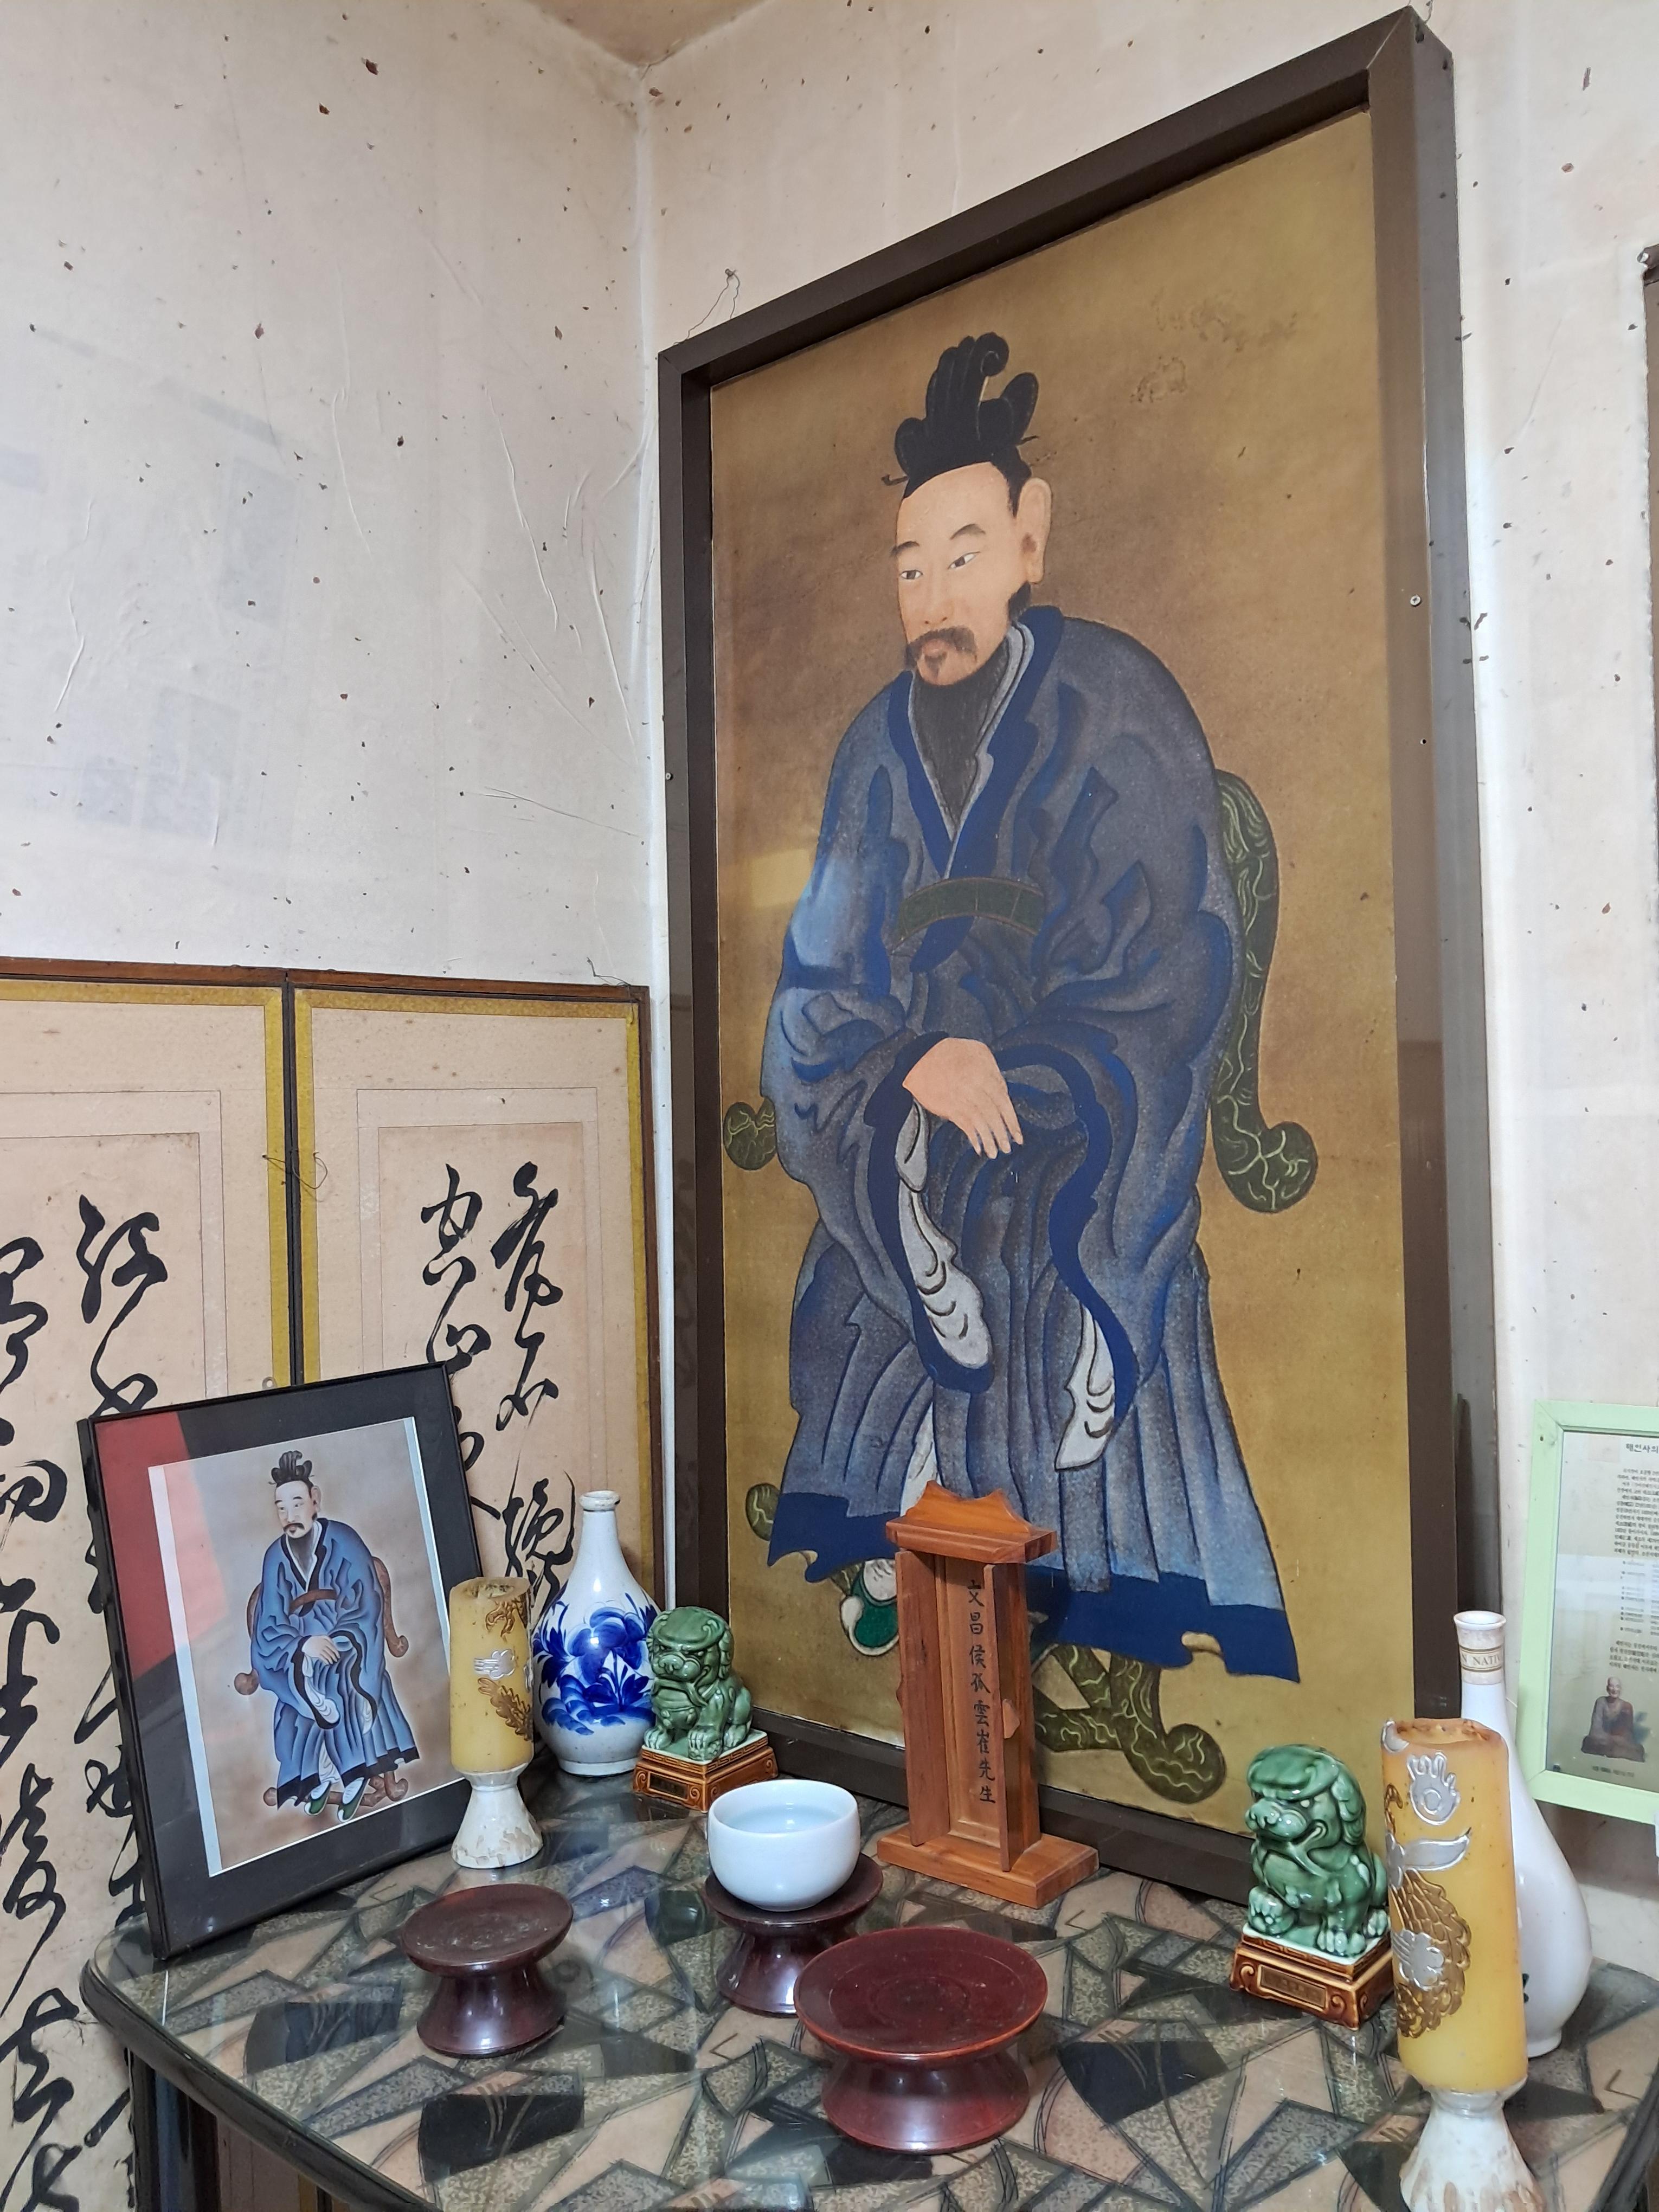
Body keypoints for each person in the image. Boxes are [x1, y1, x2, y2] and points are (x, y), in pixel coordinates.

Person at [761, 331, 1296, 1680]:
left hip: (1077, 1118)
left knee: (1033, 1207)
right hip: (906, 1121)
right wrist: (906, 1067)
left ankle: (1066, 1541)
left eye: (962, 556)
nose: (933, 599)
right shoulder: (872, 749)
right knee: (886, 1211)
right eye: (910, 569)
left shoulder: (1117, 703)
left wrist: (1032, 1067)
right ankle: (901, 1552)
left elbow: (1166, 956)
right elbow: (822, 978)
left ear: (1028, 542)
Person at [249, 1448, 419, 1817]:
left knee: (337, 1677)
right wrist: (302, 1646)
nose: (290, 1516)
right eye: (282, 1508)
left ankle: (353, 1773)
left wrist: (338, 1640)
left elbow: (364, 1601)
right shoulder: (275, 1557)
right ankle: (318, 1776)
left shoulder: (344, 1539)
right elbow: (270, 1622)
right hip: (300, 1642)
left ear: (315, 1500)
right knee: (298, 1689)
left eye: (297, 1504)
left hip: (348, 1637)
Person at [1582, 1676, 1644, 1761]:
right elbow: (1595, 1729)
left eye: (1617, 1687)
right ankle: (1612, 1750)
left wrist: (1616, 1739)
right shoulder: (1601, 1702)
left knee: (1635, 1750)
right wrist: (1608, 1739)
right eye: (1612, 1686)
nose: (1614, 1690)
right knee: (1589, 1742)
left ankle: (1613, 1751)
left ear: (1621, 1689)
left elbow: (1628, 1734)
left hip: (1619, 1743)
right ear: (1607, 1688)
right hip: (1601, 1740)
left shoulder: (1627, 1706)